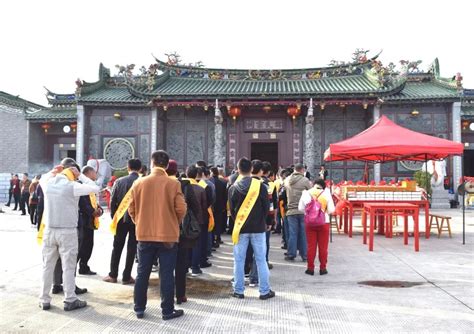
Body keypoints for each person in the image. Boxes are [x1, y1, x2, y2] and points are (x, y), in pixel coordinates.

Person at [129, 150, 187, 320]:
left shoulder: (139, 183)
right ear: (167, 165)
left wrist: (139, 222)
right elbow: (181, 209)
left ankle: (139, 308)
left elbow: (131, 209)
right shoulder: (173, 183)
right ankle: (167, 310)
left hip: (144, 234)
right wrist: (172, 222)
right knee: (167, 273)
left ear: (152, 163)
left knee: (142, 272)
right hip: (167, 236)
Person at [39, 159, 100, 311]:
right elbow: (95, 187)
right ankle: (70, 299)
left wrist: (53, 171)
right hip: (67, 231)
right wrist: (81, 175)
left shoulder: (48, 184)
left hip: (50, 230)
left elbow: (42, 178)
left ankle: (44, 299)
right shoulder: (73, 186)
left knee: (47, 265)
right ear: (72, 173)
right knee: (68, 266)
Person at [228, 157, 275, 300]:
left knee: (239, 260)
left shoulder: (233, 187)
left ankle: (239, 291)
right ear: (251, 169)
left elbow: (232, 211)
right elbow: (267, 207)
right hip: (259, 228)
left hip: (241, 228)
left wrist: (238, 222)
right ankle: (264, 291)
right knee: (261, 259)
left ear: (238, 169)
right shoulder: (260, 186)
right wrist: (267, 222)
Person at [167, 160, 203, 304]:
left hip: (163, 230)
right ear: (176, 171)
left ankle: (166, 296)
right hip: (181, 230)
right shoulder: (185, 186)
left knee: (165, 265)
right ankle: (180, 295)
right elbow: (195, 208)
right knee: (181, 265)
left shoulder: (156, 184)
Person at [104, 159, 142, 285]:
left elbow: (112, 201)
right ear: (140, 168)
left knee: (117, 247)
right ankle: (126, 276)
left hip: (120, 220)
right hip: (137, 220)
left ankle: (113, 274)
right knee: (132, 248)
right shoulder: (143, 182)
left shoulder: (119, 181)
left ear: (128, 167)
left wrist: (115, 217)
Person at [298, 179, 335, 275]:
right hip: (324, 223)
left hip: (310, 224)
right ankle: (323, 268)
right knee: (323, 247)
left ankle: (310, 268)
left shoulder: (306, 193)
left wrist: (310, 213)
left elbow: (300, 208)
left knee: (311, 246)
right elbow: (331, 210)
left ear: (314, 185)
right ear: (323, 186)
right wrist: (323, 211)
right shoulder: (326, 194)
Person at [77, 166, 103, 275]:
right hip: (83, 219)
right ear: (88, 172)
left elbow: (92, 201)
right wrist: (92, 212)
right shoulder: (81, 184)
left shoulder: (90, 186)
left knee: (88, 244)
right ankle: (78, 267)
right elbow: (83, 202)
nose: (96, 174)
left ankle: (84, 265)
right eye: (94, 172)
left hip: (90, 220)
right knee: (82, 245)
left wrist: (98, 209)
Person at [284, 163, 312, 261]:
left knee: (292, 233)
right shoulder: (305, 180)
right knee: (303, 233)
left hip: (291, 210)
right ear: (302, 170)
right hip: (303, 210)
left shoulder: (287, 180)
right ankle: (305, 255)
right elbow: (311, 193)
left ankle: (291, 254)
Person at [188, 166, 210, 277]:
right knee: (196, 244)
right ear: (198, 175)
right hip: (198, 220)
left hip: (184, 220)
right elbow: (204, 206)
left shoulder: (180, 186)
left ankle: (185, 266)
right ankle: (195, 268)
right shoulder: (201, 189)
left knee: (185, 244)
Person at [210, 166, 228, 247]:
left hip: (211, 206)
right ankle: (218, 238)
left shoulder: (209, 182)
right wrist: (224, 206)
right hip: (220, 206)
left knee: (211, 223)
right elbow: (225, 196)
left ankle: (212, 239)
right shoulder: (223, 182)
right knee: (218, 223)